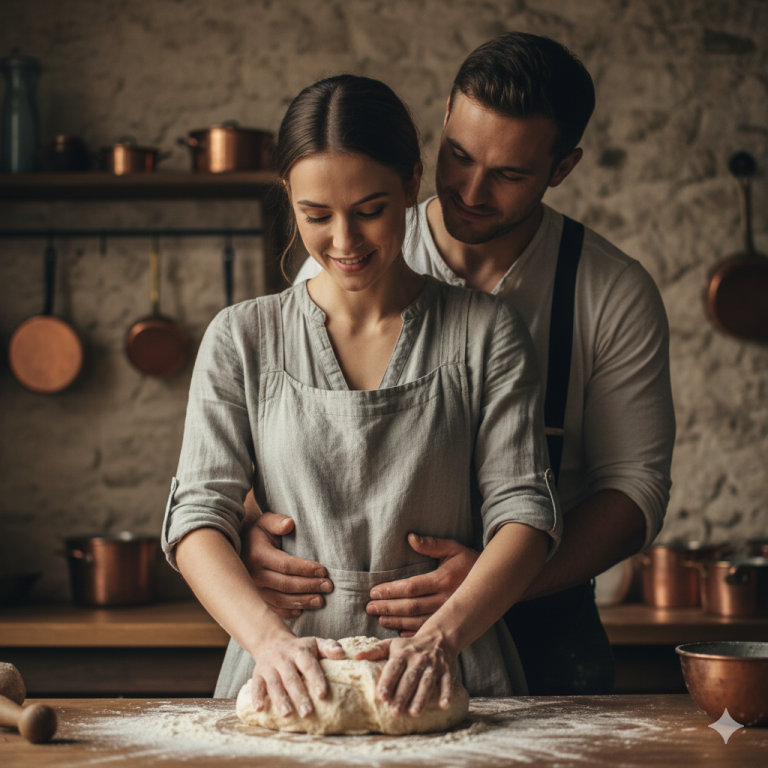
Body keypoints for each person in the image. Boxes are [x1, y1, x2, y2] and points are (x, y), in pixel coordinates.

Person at [243, 33, 676, 695]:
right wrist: (250, 527)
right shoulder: (353, 247)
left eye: (509, 174)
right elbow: (280, 436)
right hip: (364, 631)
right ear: (442, 122)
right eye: (460, 157)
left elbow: (634, 490)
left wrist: (499, 580)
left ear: (562, 168)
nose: (472, 190)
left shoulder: (611, 291)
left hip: (541, 622)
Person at [162, 73, 562, 719]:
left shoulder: (487, 332)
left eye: (370, 210)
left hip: (452, 668)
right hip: (285, 670)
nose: (343, 244)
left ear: (411, 183)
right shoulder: (242, 338)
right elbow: (194, 517)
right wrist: (270, 643)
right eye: (315, 216)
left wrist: (440, 639)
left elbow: (526, 513)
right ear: (287, 197)